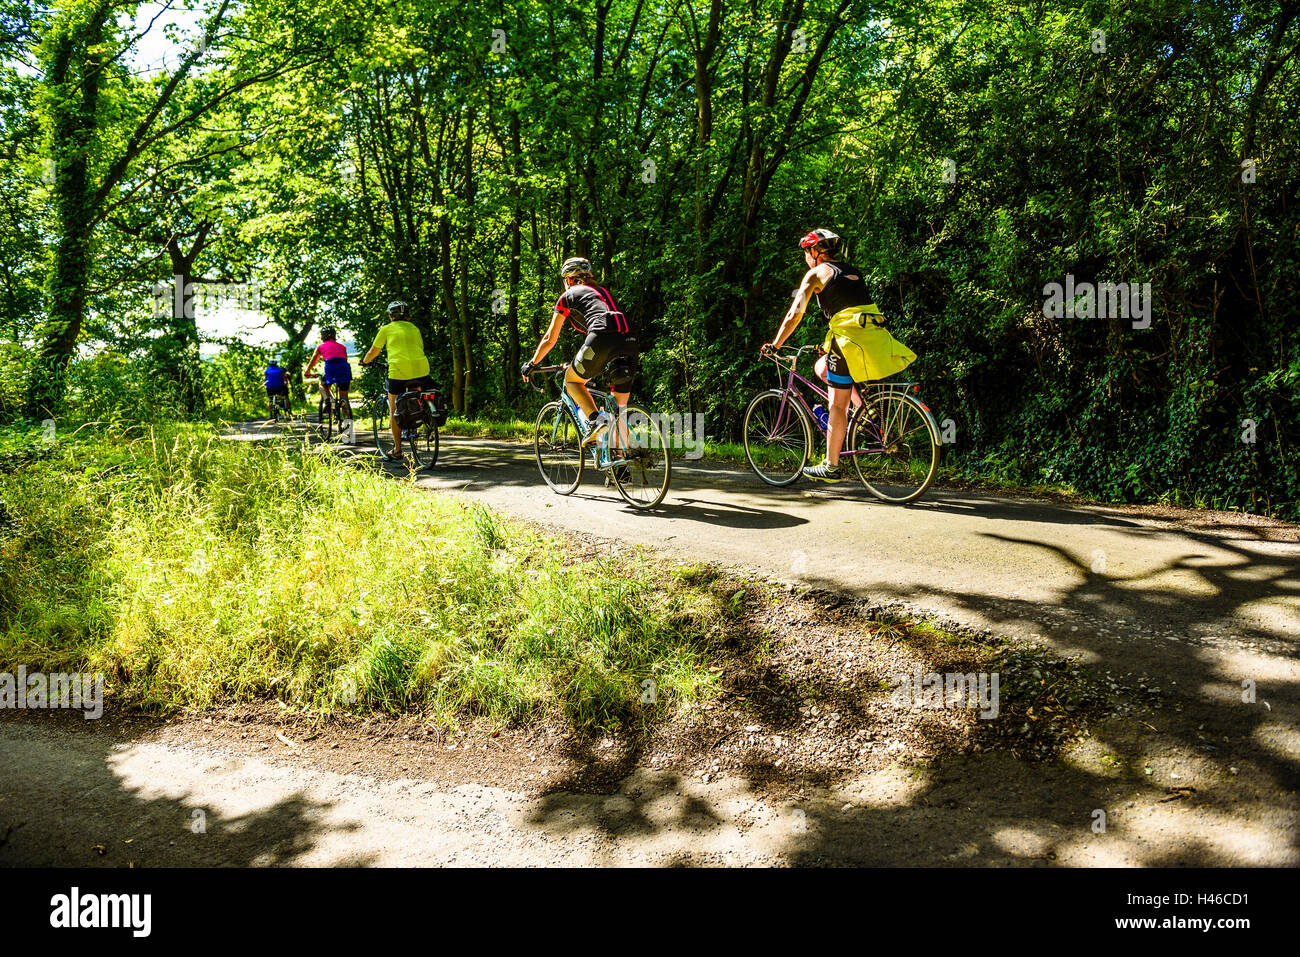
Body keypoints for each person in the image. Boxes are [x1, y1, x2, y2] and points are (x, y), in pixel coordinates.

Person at [762, 228, 915, 482]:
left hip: (848, 344)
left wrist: (776, 345)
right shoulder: (852, 272)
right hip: (873, 341)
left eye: (805, 253)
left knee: (836, 405)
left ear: (814, 252)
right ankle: (864, 412)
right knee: (822, 367)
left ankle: (831, 466)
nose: (806, 258)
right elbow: (850, 312)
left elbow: (794, 314)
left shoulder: (815, 274)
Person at [521, 257, 638, 458]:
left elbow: (550, 338)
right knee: (620, 409)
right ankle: (622, 467)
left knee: (571, 380)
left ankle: (595, 420)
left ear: (568, 279)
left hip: (602, 338)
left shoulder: (567, 296)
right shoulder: (602, 292)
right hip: (630, 340)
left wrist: (533, 363)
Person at [360, 301, 432, 462]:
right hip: (422, 369)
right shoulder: (414, 328)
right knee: (416, 395)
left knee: (394, 410)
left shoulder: (386, 329)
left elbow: (373, 351)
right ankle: (421, 418)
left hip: (399, 371)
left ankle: (398, 450)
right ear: (408, 315)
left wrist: (364, 362)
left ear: (390, 316)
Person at [303, 326, 353, 432]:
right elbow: (345, 359)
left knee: (322, 384)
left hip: (331, 369)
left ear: (322, 336)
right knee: (344, 397)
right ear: (334, 335)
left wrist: (307, 372)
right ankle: (347, 422)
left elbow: (313, 361)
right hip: (344, 369)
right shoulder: (342, 346)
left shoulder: (321, 347)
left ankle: (327, 400)